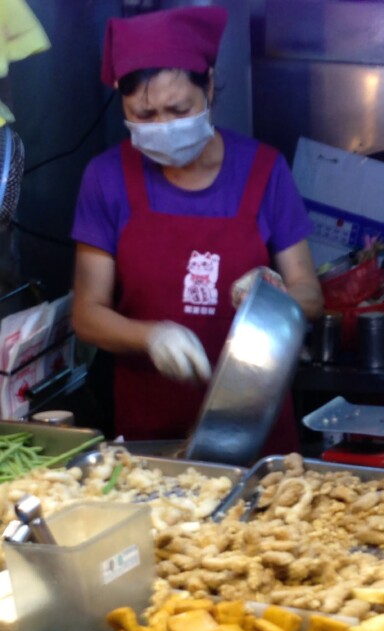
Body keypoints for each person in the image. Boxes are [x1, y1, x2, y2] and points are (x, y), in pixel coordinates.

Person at [71, 5, 322, 444]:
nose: (163, 127)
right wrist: (151, 336)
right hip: (151, 436)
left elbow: (311, 295)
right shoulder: (106, 177)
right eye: (145, 116)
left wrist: (272, 298)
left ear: (208, 85)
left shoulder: (264, 171)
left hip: (257, 430)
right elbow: (87, 314)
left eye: (178, 109)